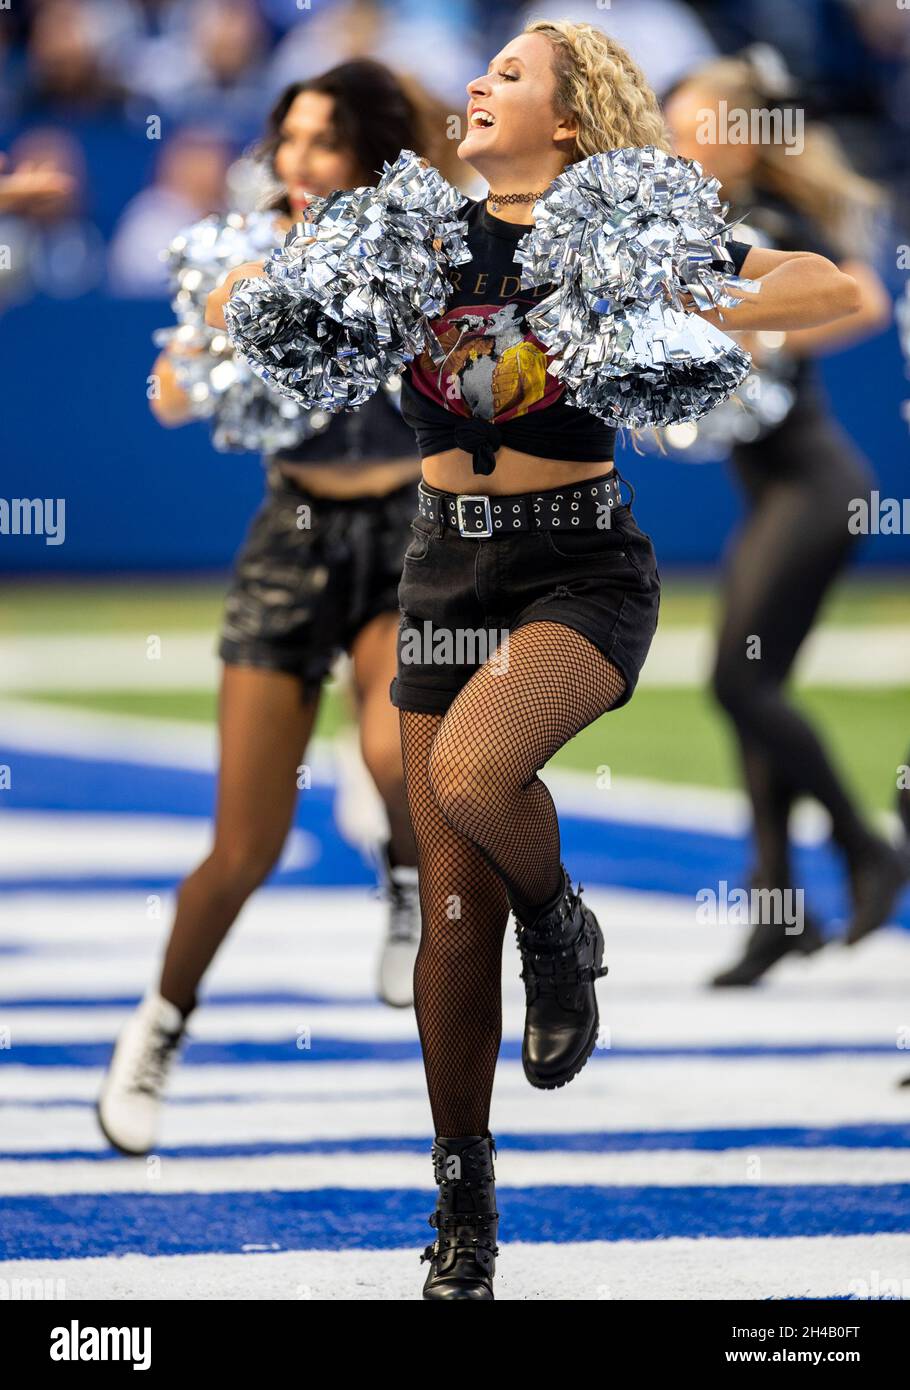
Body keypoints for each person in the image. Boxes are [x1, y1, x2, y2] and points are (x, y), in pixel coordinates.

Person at [208, 19, 862, 1299]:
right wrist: (277, 286)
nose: (476, 83)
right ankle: (465, 1204)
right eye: (481, 68)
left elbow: (828, 288)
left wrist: (675, 295)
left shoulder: (617, 227)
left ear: (567, 119)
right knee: (452, 918)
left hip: (579, 570)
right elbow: (247, 308)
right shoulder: (412, 232)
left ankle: (559, 931)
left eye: (509, 74)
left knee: (470, 772)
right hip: (443, 568)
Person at [98, 60, 430, 1160]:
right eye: (288, 140)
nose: (298, 162)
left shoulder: (418, 247)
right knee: (243, 843)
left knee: (394, 758)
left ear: (373, 158)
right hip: (293, 536)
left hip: (407, 535)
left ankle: (403, 877)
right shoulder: (238, 250)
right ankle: (158, 1027)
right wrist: (208, 340)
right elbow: (167, 397)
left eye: (325, 143)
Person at [664, 55, 909, 986]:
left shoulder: (767, 223)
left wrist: (753, 333)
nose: (678, 141)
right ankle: (777, 907)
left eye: (691, 125)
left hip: (815, 486)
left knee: (739, 684)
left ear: (734, 134)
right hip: (769, 489)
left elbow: (866, 298)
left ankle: (864, 849)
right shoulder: (699, 225)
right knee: (750, 692)